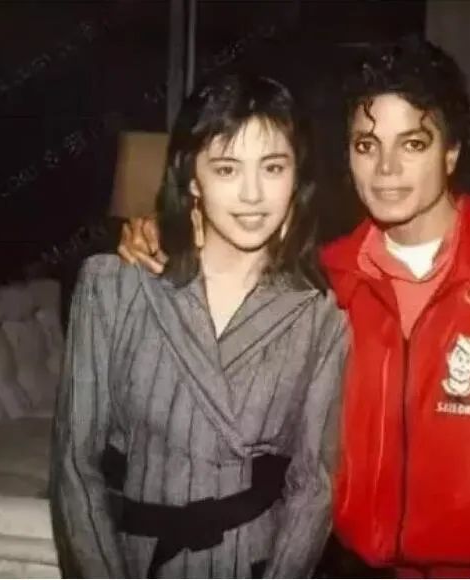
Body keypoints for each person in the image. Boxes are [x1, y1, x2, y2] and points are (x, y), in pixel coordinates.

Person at [119, 38, 470, 578]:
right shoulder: (322, 282)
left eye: (412, 144)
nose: (386, 169)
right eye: (367, 146)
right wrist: (165, 238)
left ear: (451, 151)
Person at [52, 73, 348, 578]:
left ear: (296, 178)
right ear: (193, 178)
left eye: (273, 167)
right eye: (227, 168)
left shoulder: (319, 315)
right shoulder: (113, 287)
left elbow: (311, 488)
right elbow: (76, 467)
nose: (252, 194)